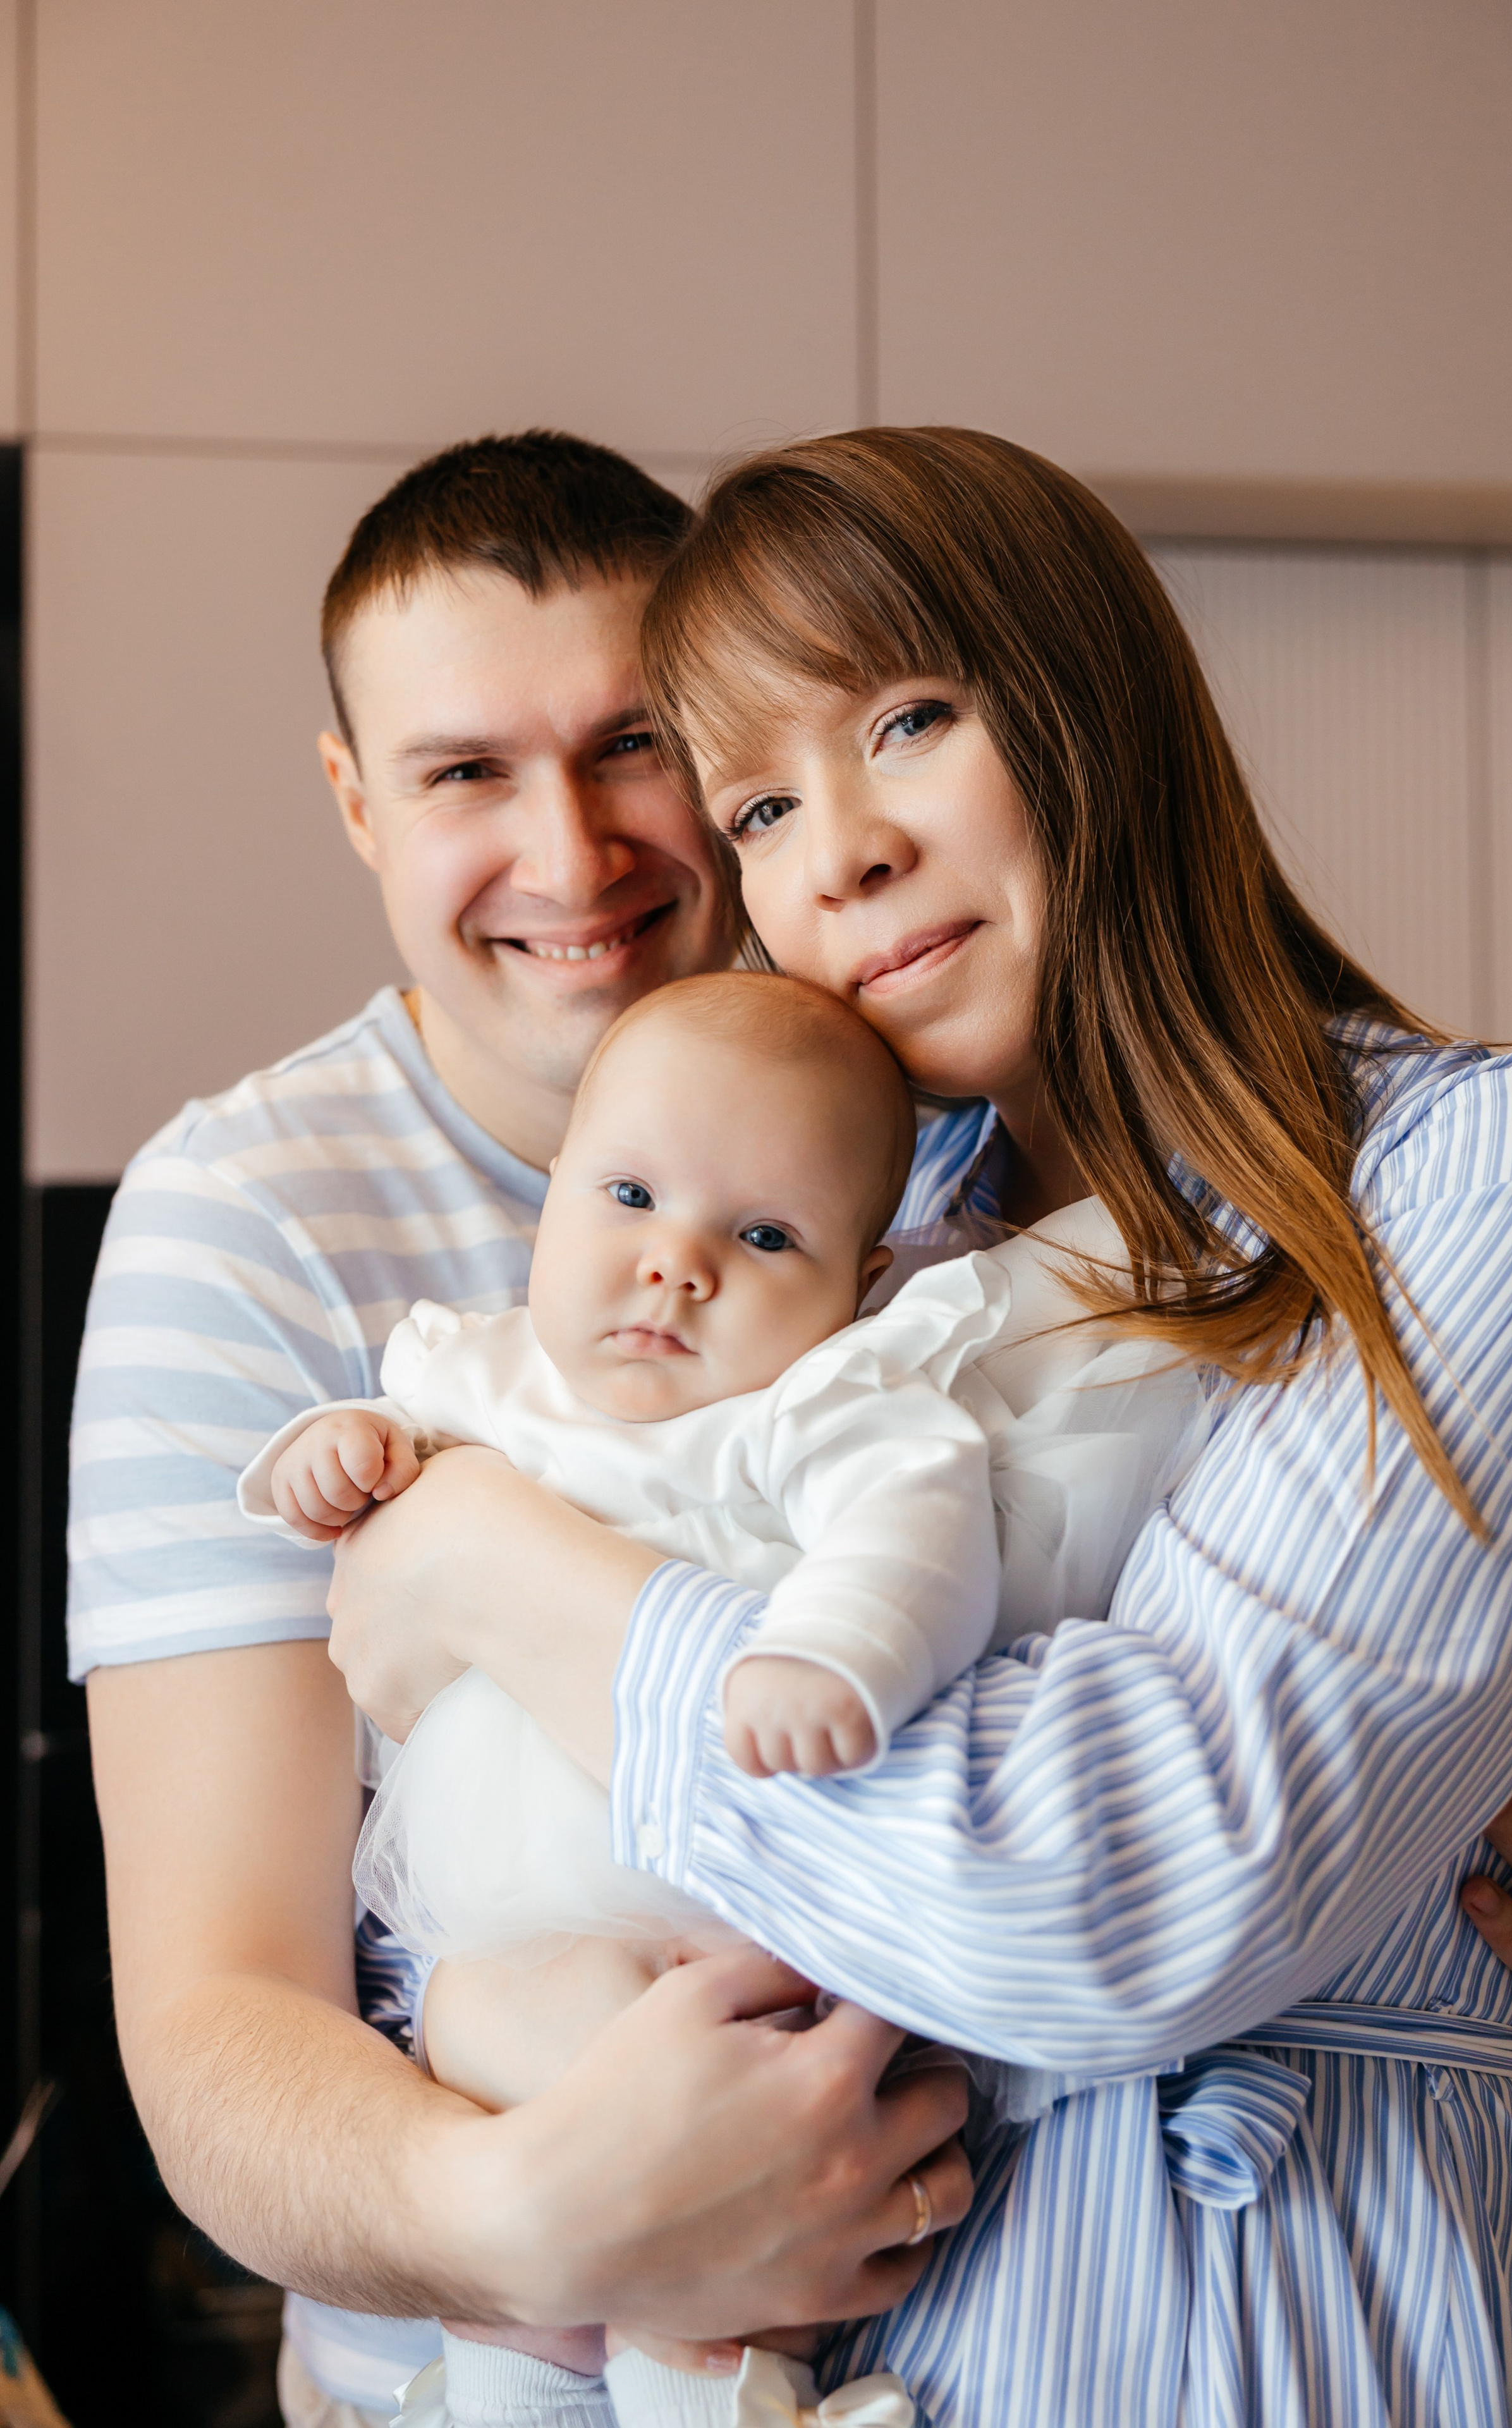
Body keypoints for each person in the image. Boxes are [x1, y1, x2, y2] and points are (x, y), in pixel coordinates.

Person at [325, 427, 1512, 2425]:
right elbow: (504, 1877)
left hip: (1277, 2339)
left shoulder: (1485, 1175)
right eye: (759, 801)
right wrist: (500, 2019)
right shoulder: (830, 1274)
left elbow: (1154, 1877)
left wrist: (510, 1576)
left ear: (1098, 700)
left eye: (909, 718)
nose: (833, 852)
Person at [71, 434, 972, 2428]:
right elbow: (220, 2020)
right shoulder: (248, 1223)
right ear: (354, 803)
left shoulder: (931, 1075)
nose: (573, 860)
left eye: (635, 743)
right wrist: (546, 2222)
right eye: (464, 770)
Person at [240, 966, 1198, 2427]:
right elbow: (382, 1436)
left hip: (733, 1935)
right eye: (627, 1197)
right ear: (551, 1192)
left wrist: (834, 1652)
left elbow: (911, 1526)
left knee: (710, 2218)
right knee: (495, 2127)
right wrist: (336, 1447)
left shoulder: (820, 1404)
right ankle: (504, 2395)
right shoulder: (486, 1372)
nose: (675, 1264)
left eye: (761, 1235)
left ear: (861, 1284)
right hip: (501, 1929)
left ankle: (733, 2397)